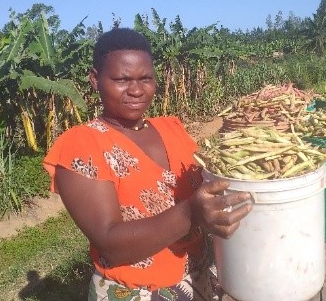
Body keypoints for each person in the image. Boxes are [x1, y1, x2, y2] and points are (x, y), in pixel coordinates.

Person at [43, 28, 252, 300]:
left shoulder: (172, 128)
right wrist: (191, 214)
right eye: (121, 79)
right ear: (95, 79)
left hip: (199, 278)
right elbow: (110, 243)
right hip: (136, 291)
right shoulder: (81, 145)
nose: (136, 90)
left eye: (146, 78)